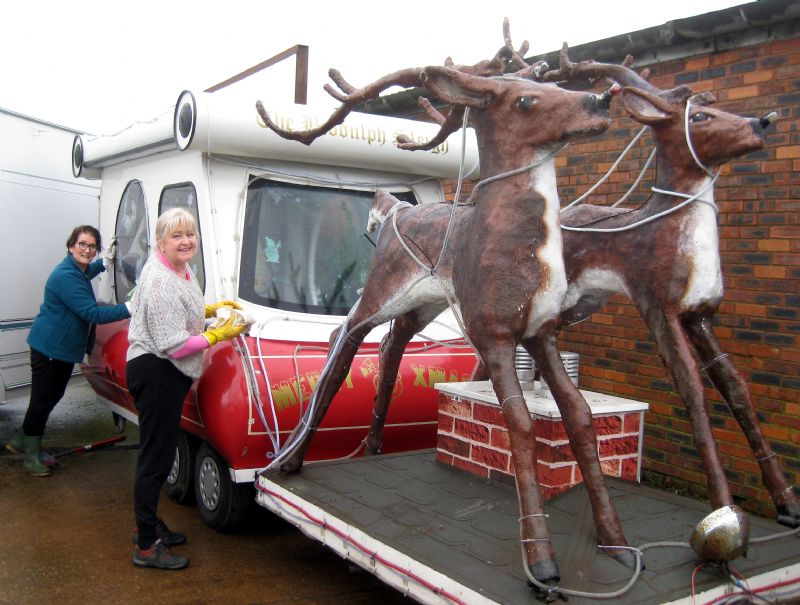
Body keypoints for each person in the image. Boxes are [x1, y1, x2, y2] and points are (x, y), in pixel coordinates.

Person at [126, 208, 246, 570]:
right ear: (161, 241)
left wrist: (209, 309)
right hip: (158, 370)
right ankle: (146, 544)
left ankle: (149, 526)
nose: (186, 241)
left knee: (158, 455)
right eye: (177, 235)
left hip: (164, 371)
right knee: (155, 459)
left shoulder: (179, 267)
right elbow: (174, 344)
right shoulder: (162, 281)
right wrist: (215, 334)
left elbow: (182, 310)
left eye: (190, 234)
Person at [5, 226, 130, 476]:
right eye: (82, 244)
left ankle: (21, 440)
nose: (87, 250)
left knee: (51, 396)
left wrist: (104, 263)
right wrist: (129, 307)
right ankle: (31, 456)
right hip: (50, 348)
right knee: (43, 400)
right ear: (71, 246)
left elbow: (88, 272)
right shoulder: (65, 276)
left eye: (92, 246)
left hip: (59, 349)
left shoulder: (79, 270)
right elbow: (91, 313)